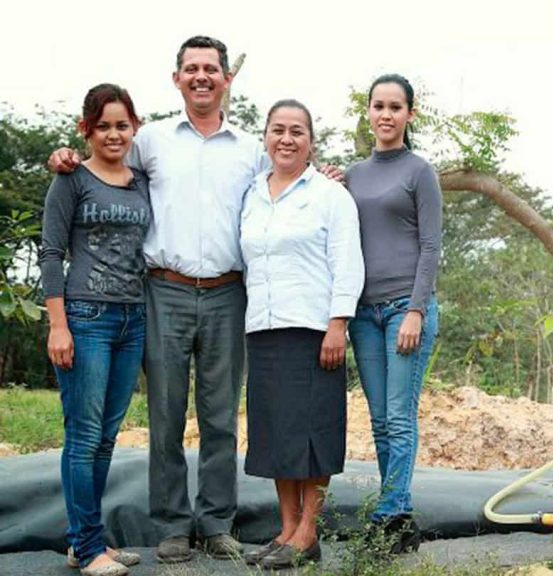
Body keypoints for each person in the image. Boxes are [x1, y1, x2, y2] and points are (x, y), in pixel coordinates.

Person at [48, 36, 266, 563]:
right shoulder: (153, 140)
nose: (201, 77)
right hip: (161, 290)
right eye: (190, 68)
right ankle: (170, 525)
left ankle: (216, 523)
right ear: (177, 79)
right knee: (165, 414)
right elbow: (101, 164)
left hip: (226, 291)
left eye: (210, 69)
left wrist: (329, 175)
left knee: (220, 416)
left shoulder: (250, 148)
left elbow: (283, 186)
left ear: (226, 78)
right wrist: (62, 157)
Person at [237, 99, 363, 569]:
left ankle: (308, 531)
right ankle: (287, 529)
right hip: (263, 326)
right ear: (265, 137)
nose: (286, 139)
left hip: (313, 329)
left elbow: (348, 263)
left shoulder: (330, 195)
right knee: (275, 433)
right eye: (277, 130)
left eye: (297, 131)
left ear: (311, 141)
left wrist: (338, 325)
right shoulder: (252, 193)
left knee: (312, 432)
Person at [40, 84, 148, 576]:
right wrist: (57, 326)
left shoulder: (141, 180)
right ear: (86, 129)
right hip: (85, 319)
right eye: (102, 125)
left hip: (133, 318)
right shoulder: (71, 179)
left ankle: (85, 539)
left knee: (106, 437)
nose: (113, 133)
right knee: (82, 436)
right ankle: (87, 550)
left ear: (134, 128)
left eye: (121, 125)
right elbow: (50, 253)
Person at [344, 74, 442, 554]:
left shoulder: (419, 171)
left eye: (395, 107)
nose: (386, 114)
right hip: (364, 313)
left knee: (400, 418)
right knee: (380, 420)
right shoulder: (352, 175)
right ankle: (398, 518)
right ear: (368, 112)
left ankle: (389, 513)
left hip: (406, 309)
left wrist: (417, 311)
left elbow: (430, 246)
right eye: (378, 105)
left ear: (409, 114)